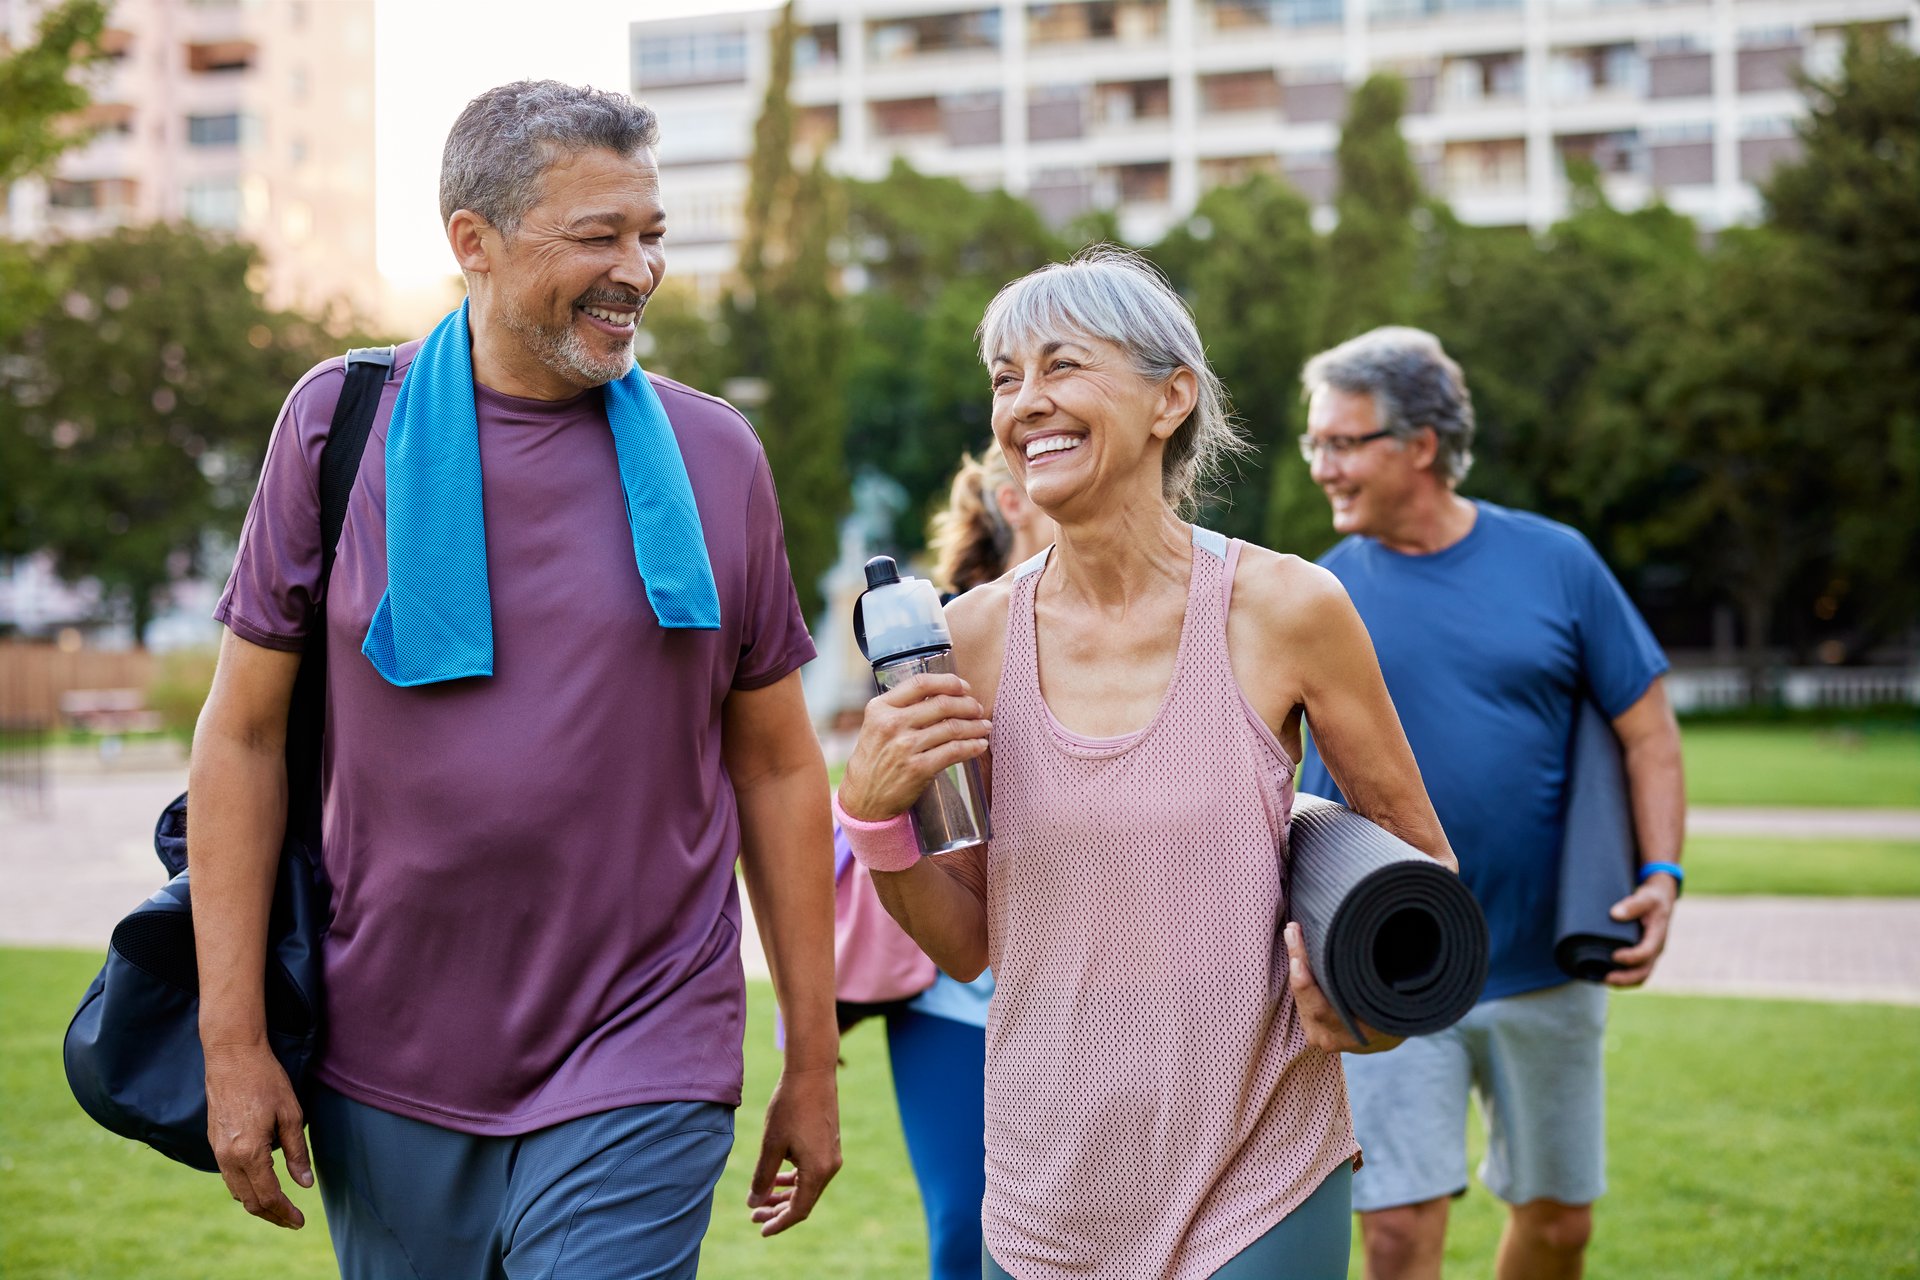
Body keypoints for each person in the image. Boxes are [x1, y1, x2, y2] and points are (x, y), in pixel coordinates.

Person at [190, 81, 840, 1278]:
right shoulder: (337, 428)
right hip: (387, 1049)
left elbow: (778, 761)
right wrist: (231, 1043)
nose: (637, 270)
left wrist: (812, 1052)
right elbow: (239, 739)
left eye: (650, 235)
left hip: (648, 1035)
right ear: (471, 243)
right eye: (597, 236)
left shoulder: (717, 455)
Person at [834, 248, 1458, 1280]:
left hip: (1257, 1170)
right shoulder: (970, 637)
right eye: (1004, 377)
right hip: (1045, 1186)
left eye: (1062, 366)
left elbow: (1422, 872)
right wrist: (872, 818)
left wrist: (1369, 1011)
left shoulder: (1288, 608)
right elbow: (964, 945)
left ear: (1171, 397)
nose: (1026, 402)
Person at [1293, 327, 1685, 1280]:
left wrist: (1663, 873)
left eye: (1343, 443)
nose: (1322, 467)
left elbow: (1649, 735)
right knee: (1395, 1231)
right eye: (1317, 444)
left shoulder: (1556, 563)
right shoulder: (1317, 594)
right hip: (1388, 967)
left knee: (1558, 1226)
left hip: (1547, 966)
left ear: (1420, 445)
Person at [884, 442, 1055, 1280]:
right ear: (1012, 503)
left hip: (1093, 997)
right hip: (959, 1001)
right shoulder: (934, 638)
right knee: (965, 1227)